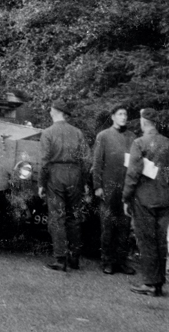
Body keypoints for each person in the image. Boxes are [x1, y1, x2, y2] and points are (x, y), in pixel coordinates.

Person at [123, 108, 169, 297]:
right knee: (160, 241)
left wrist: (126, 197)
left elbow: (133, 173)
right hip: (164, 198)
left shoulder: (139, 143)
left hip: (144, 198)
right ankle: (158, 283)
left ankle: (150, 283)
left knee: (146, 241)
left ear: (144, 122)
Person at [39, 99, 90, 271]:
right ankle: (74, 258)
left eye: (51, 110)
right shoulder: (78, 133)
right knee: (74, 217)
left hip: (56, 174)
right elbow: (86, 160)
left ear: (55, 111)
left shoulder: (47, 132)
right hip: (75, 175)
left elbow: (44, 161)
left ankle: (60, 259)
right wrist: (83, 182)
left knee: (57, 217)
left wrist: (41, 183)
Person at [92, 104, 137, 275]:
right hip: (108, 186)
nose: (123, 117)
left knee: (124, 226)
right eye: (120, 114)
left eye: (125, 114)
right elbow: (97, 163)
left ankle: (122, 261)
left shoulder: (132, 137)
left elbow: (135, 164)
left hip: (125, 188)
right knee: (108, 225)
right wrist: (97, 186)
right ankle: (107, 261)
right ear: (112, 117)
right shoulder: (103, 136)